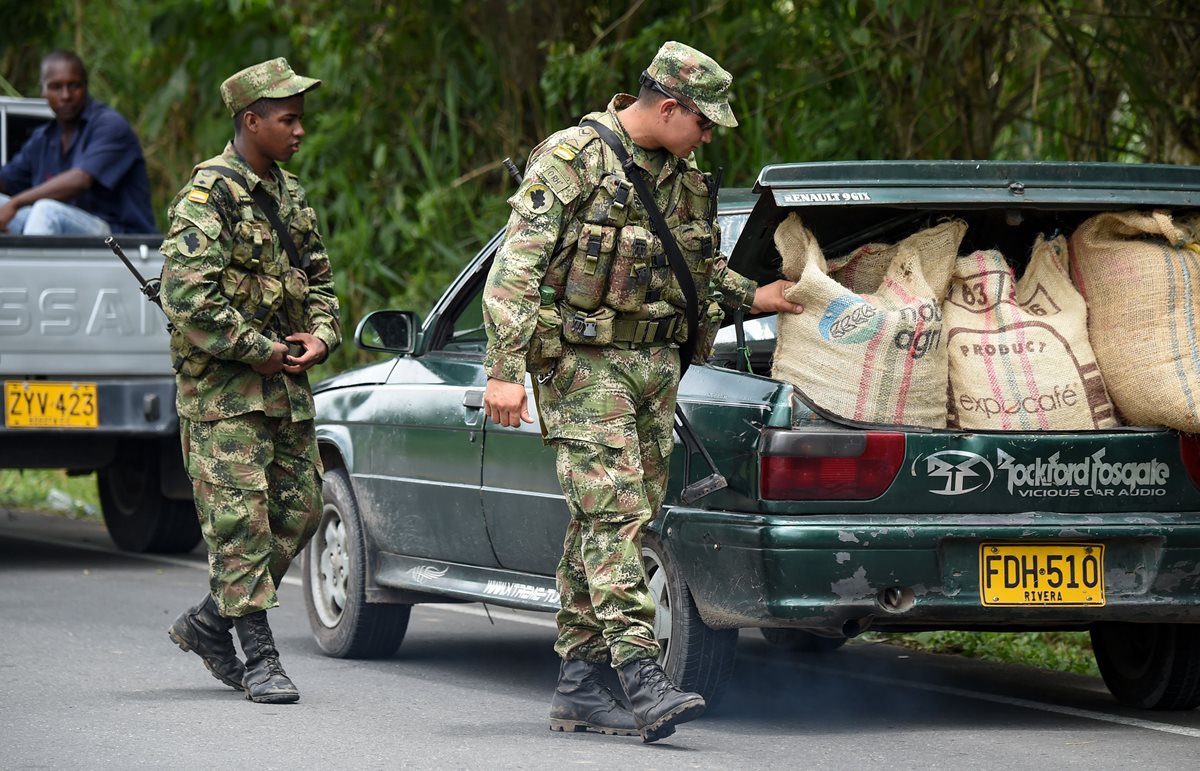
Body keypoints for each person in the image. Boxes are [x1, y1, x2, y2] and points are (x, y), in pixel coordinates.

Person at [482, 41, 802, 742]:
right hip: (582, 366)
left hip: (655, 369)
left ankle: (579, 683)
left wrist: (761, 295)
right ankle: (640, 673)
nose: (710, 135)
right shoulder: (572, 158)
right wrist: (504, 370)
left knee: (607, 522)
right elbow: (514, 272)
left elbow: (700, 269)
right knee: (616, 517)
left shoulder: (685, 177)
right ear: (667, 106)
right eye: (705, 121)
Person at [158, 57, 340, 704]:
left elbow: (319, 278)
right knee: (241, 526)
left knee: (301, 510)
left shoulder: (289, 194)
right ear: (250, 121)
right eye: (286, 119)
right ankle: (258, 655)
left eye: (299, 118)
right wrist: (258, 348)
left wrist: (321, 333)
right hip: (224, 398)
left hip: (284, 392)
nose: (298, 130)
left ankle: (210, 621)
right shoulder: (209, 195)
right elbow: (188, 297)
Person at [0, 50, 156, 235]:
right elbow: (7, 181)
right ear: (43, 91)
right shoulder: (42, 138)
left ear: (86, 87)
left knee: (46, 210)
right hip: (63, 232)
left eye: (73, 86)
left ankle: (29, 265)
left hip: (118, 237)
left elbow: (80, 180)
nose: (65, 95)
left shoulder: (109, 125)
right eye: (56, 87)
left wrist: (16, 203)